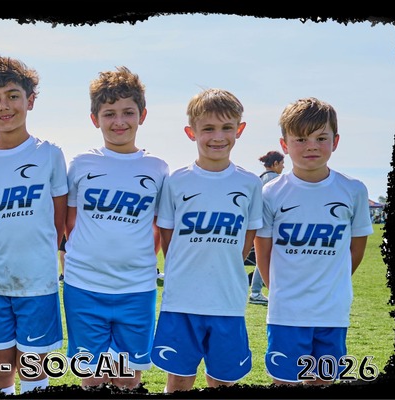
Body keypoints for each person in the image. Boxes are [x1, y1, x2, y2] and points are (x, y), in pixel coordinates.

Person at [0, 56, 66, 395]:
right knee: (0, 365)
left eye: (12, 96)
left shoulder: (49, 154)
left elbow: (59, 220)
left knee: (33, 367)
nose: (4, 106)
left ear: (30, 100)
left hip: (38, 282)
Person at [62, 66, 168, 389]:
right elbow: (70, 223)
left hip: (136, 289)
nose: (119, 121)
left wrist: (135, 261)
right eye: (109, 114)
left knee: (127, 377)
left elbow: (157, 228)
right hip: (84, 286)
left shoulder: (157, 169)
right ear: (95, 118)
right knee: (92, 376)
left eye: (128, 112)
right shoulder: (82, 164)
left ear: (142, 115)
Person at [255, 97, 372, 386]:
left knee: (322, 381)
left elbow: (356, 250)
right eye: (301, 139)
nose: (312, 146)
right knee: (285, 382)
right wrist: (280, 292)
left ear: (335, 141)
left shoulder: (353, 190)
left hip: (332, 311)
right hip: (286, 313)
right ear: (284, 145)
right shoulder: (271, 193)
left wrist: (333, 283)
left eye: (321, 138)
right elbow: (263, 252)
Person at [152, 89, 263, 391]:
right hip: (182, 300)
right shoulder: (176, 181)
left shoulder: (249, 183)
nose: (218, 137)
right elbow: (168, 239)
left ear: (239, 129)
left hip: (227, 301)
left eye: (227, 127)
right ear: (191, 132)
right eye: (208, 128)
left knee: (223, 381)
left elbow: (246, 240)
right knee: (179, 379)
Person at [246, 150, 285, 304]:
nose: (283, 167)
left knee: (263, 257)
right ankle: (256, 292)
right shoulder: (276, 180)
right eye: (282, 163)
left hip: (257, 223)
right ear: (275, 164)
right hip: (270, 225)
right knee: (267, 257)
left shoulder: (260, 178)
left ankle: (256, 291)